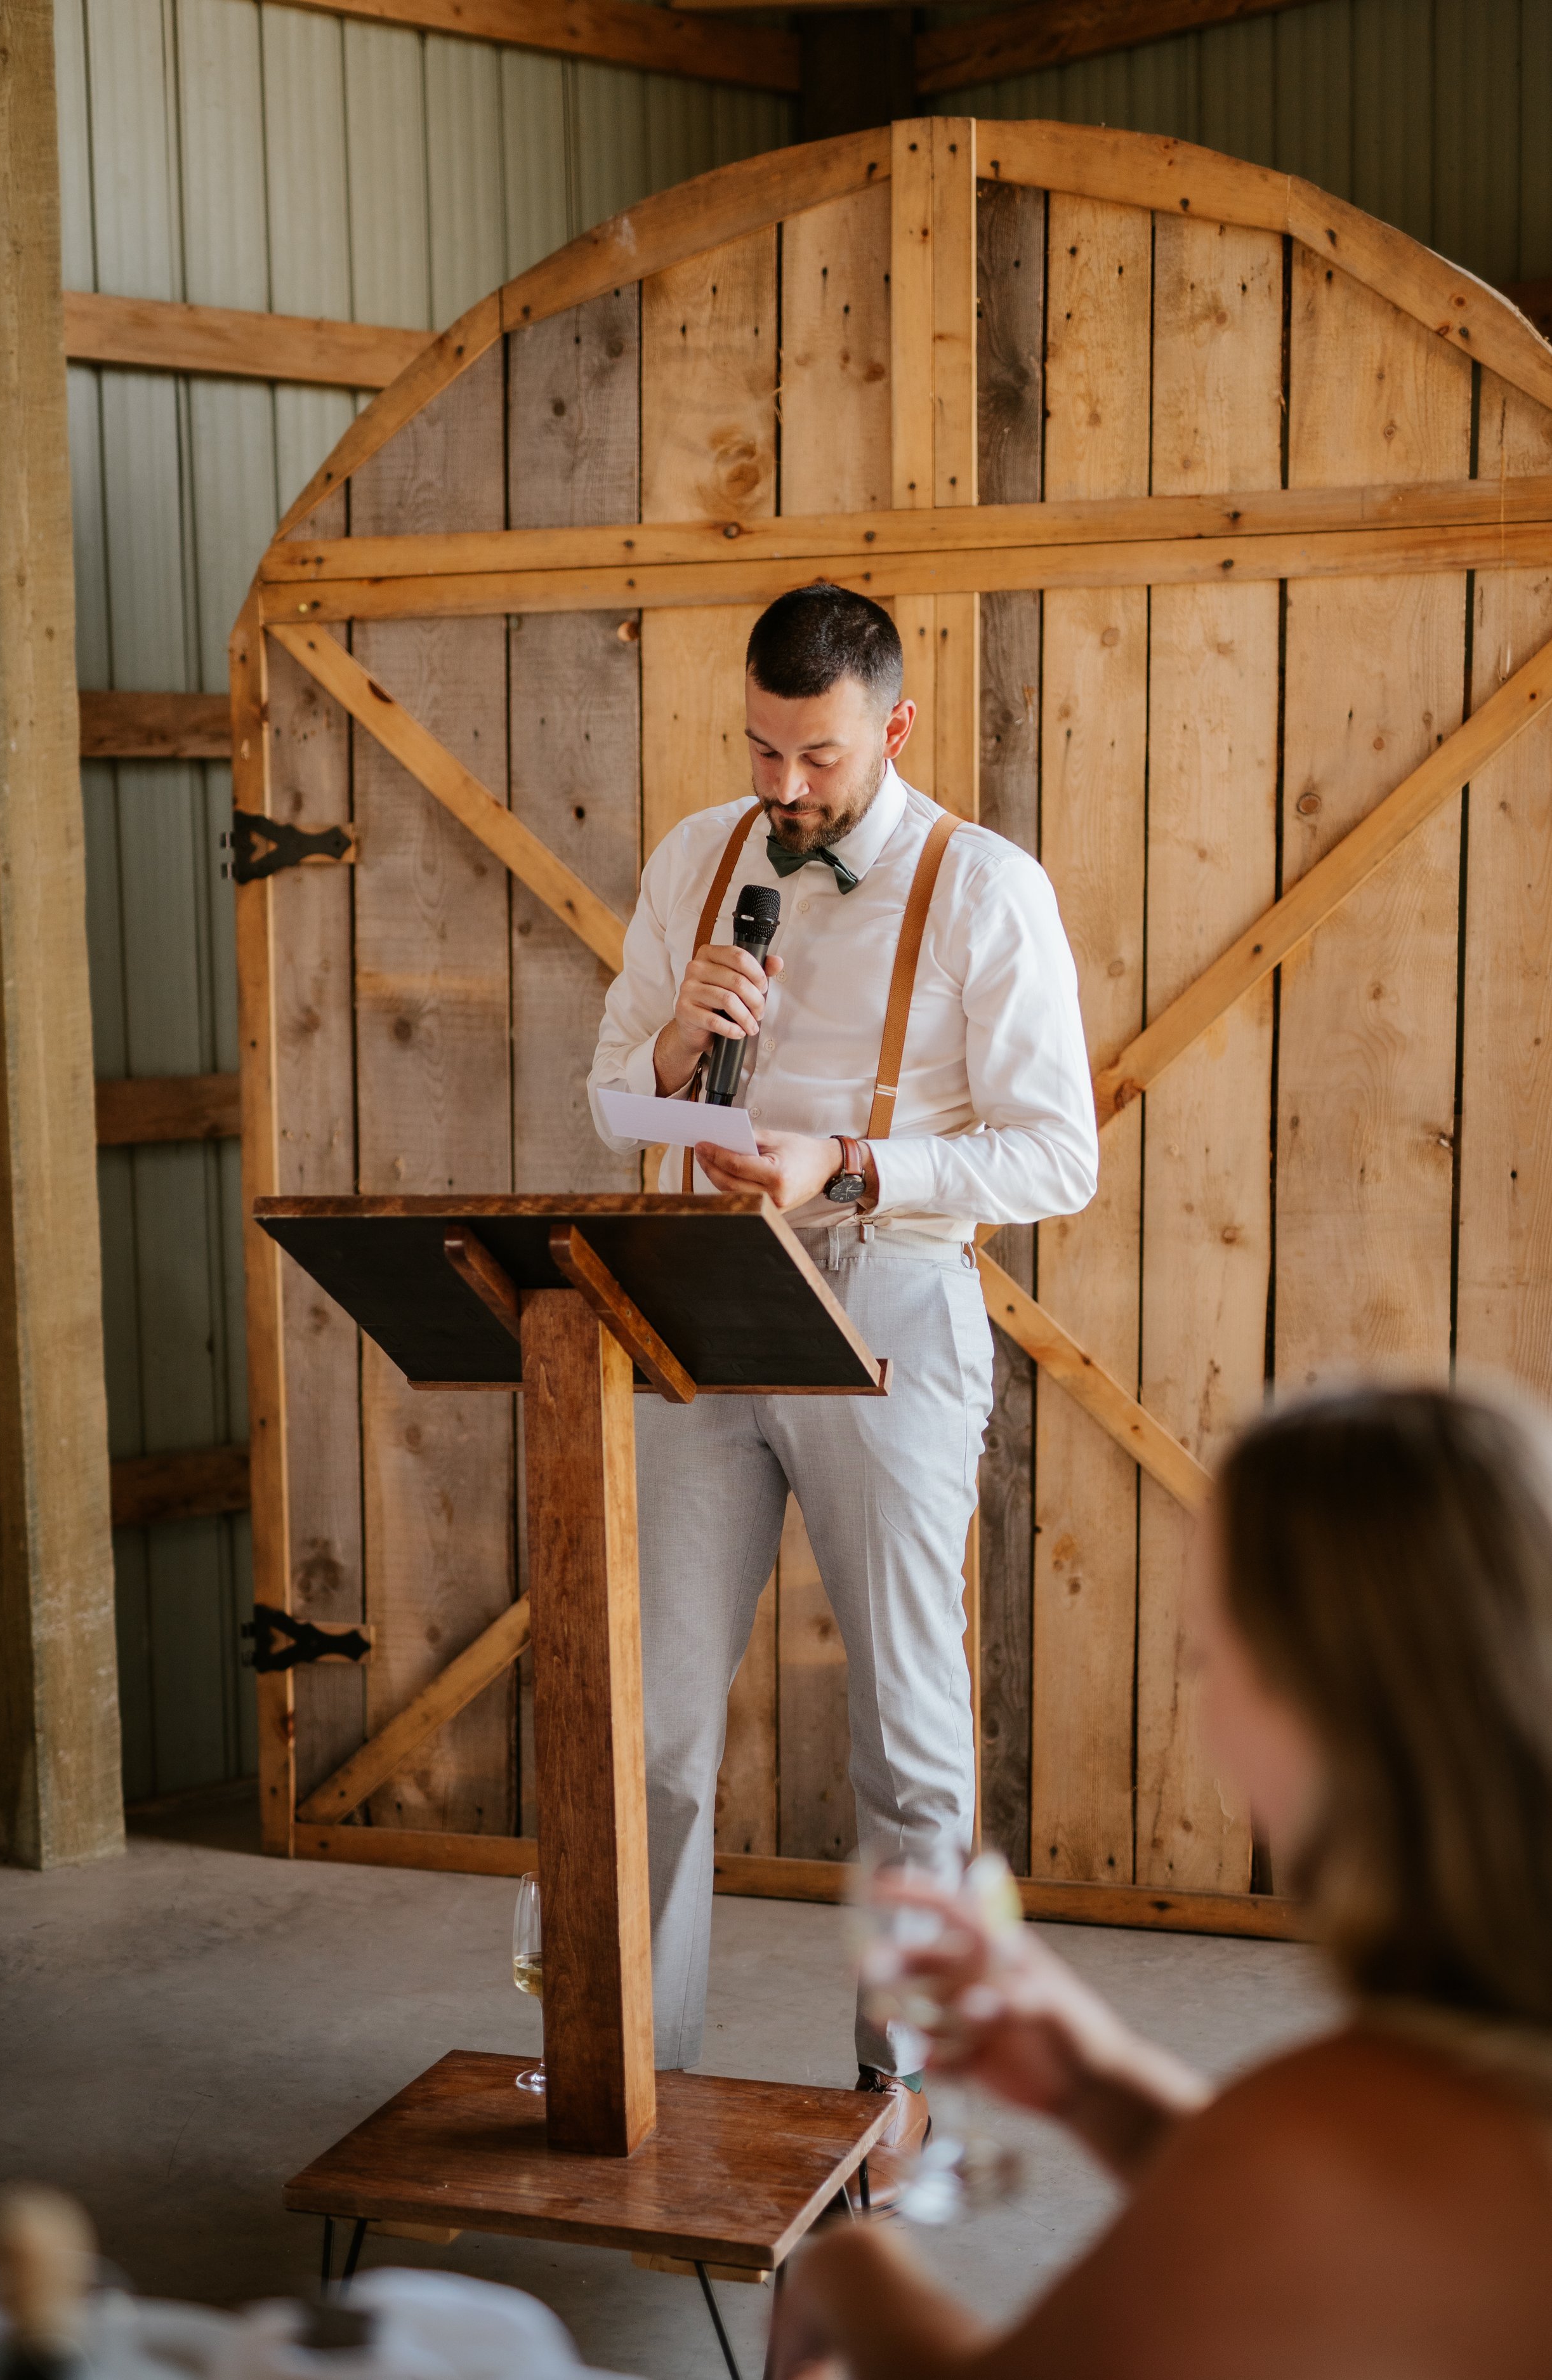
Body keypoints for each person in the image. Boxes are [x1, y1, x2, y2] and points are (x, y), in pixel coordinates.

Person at [588, 581, 1097, 2185]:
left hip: (890, 1306)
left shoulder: (984, 889)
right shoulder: (696, 859)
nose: (781, 788)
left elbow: (1055, 1154)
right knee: (653, 1720)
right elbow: (611, 1109)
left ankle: (906, 2093)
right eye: (759, 748)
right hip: (698, 1309)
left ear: (893, 724)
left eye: (813, 755)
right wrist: (672, 1049)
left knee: (907, 1729)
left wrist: (851, 1162)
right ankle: (625, 2067)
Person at [768, 1382, 1552, 2379]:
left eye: (1205, 1656)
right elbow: (1349, 2222)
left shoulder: (1350, 2115)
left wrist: (852, 2278)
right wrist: (1102, 2085)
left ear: (1313, 1696)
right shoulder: (1416, 2113)